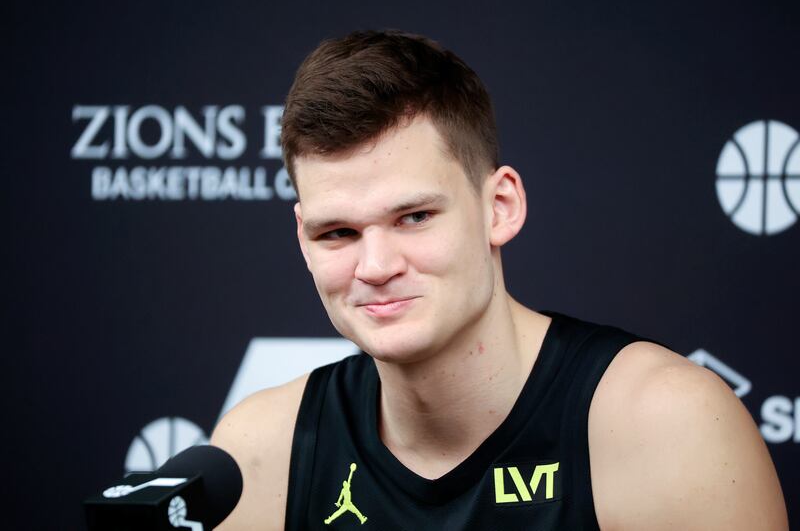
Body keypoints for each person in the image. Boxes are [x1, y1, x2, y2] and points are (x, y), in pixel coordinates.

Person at [212, 30, 788, 530]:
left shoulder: (667, 427)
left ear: (500, 207)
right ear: (303, 239)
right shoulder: (259, 455)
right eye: (338, 232)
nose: (376, 266)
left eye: (414, 217)